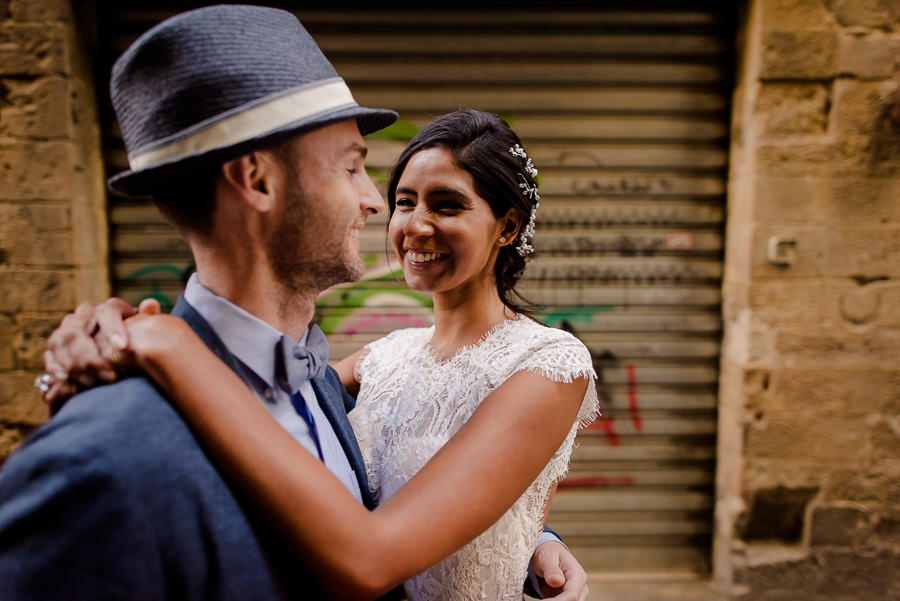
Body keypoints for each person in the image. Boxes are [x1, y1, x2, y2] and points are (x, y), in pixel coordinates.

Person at [0, 5, 588, 601]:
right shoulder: (90, 463)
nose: (378, 205)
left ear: (508, 227)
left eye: (445, 204)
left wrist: (529, 537)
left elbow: (401, 522)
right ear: (256, 180)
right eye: (355, 168)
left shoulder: (320, 387)